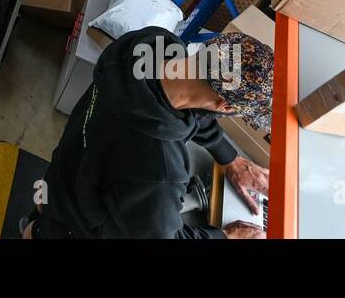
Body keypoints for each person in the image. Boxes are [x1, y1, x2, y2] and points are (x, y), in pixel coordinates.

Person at [26, 29, 273, 239]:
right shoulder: (158, 169)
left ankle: (38, 223)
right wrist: (225, 236)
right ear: (225, 106)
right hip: (79, 224)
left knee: (46, 212)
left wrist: (229, 157)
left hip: (65, 171)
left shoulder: (149, 48)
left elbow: (193, 108)